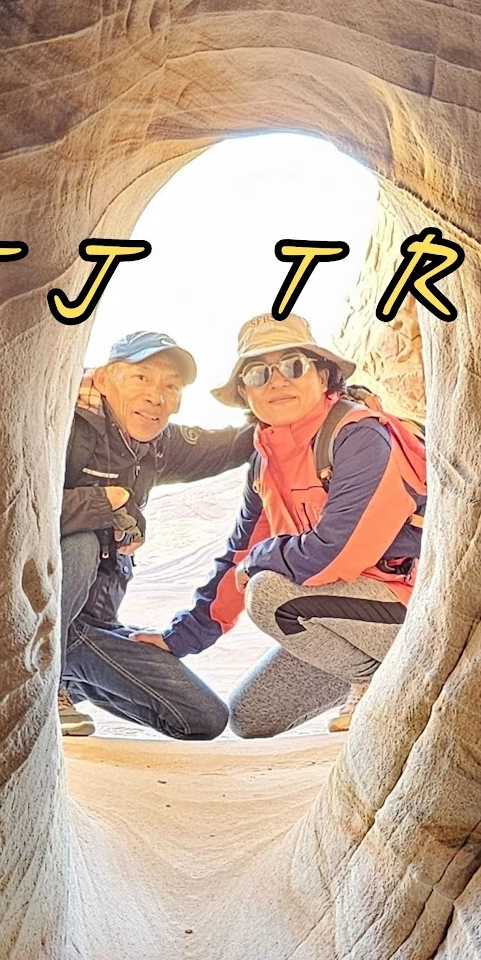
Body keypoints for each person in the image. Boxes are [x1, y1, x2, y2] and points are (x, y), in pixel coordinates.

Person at [147, 314, 427, 738]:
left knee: (268, 593)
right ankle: (366, 670)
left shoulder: (360, 436)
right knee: (251, 717)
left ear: (323, 375)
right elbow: (239, 555)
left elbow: (335, 551)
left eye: (293, 365)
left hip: (414, 611)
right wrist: (179, 639)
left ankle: (380, 682)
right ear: (245, 392)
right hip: (342, 616)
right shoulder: (266, 459)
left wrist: (259, 562)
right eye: (258, 373)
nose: (277, 381)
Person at [56, 330, 258, 738]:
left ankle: (71, 674)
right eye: (141, 377)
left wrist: (330, 404)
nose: (156, 396)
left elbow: (231, 445)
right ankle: (45, 680)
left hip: (94, 629)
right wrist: (104, 502)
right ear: (106, 377)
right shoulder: (59, 422)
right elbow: (13, 509)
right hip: (41, 623)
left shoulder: (155, 444)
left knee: (203, 718)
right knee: (81, 545)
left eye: (171, 386)